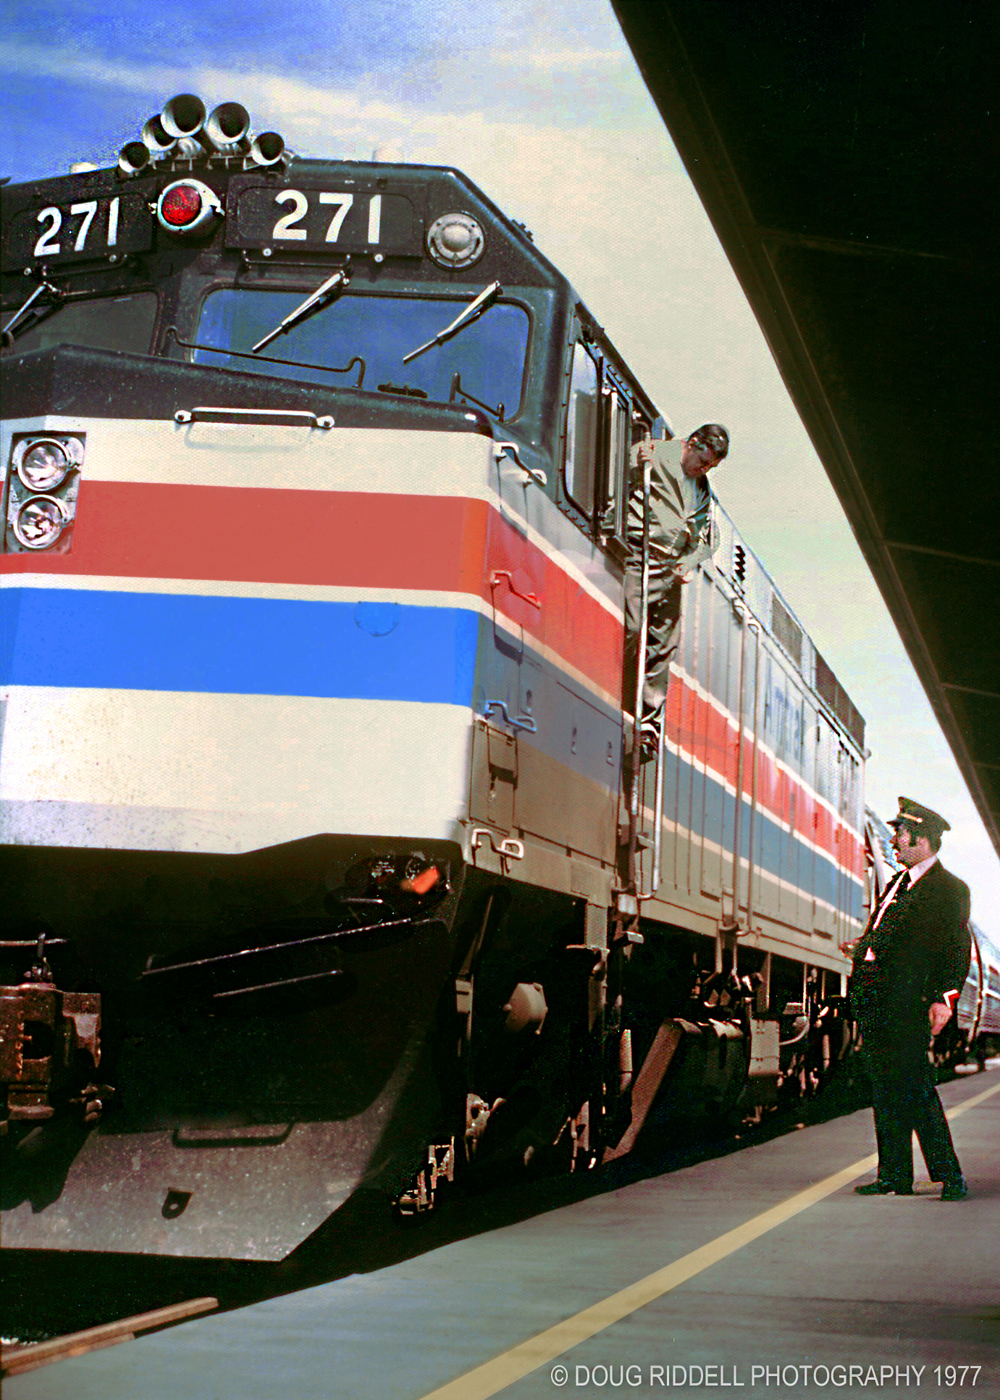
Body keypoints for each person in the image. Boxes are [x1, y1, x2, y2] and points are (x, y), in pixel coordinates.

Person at [851, 797, 972, 1200]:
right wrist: (863, 949)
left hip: (909, 1003)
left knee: (917, 1090)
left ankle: (949, 1177)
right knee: (886, 1089)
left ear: (920, 839)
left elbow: (956, 950)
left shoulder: (949, 889)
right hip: (879, 1002)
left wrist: (943, 997)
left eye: (899, 835)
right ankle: (894, 1176)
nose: (893, 842)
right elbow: (888, 938)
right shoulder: (898, 885)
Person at [624, 425, 729, 750]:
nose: (704, 470)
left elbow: (711, 539)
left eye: (710, 467)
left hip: (671, 569)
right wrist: (633, 459)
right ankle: (619, 696)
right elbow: (621, 468)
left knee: (665, 646)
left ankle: (648, 724)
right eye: (703, 461)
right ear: (691, 443)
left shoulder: (702, 490)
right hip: (640, 555)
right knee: (632, 627)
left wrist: (690, 560)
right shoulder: (653, 453)